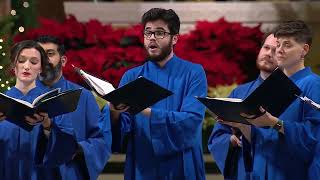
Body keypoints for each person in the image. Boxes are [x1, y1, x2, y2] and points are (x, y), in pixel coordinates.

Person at [103, 8, 208, 179]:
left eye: (159, 33)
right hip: (143, 163)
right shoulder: (131, 76)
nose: (152, 37)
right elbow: (121, 129)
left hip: (181, 163)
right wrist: (113, 111)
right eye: (148, 32)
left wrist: (146, 111)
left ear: (174, 38)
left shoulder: (193, 73)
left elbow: (192, 120)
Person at [220, 20, 320, 179]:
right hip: (261, 171)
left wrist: (274, 122)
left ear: (304, 50)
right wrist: (242, 125)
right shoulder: (274, 85)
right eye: (278, 44)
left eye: (287, 45)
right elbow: (262, 138)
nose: (279, 50)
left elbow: (313, 137)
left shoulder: (313, 84)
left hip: (291, 172)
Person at [35, 35, 111, 180]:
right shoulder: (23, 98)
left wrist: (79, 149)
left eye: (50, 54)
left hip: (71, 173)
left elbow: (101, 141)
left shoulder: (84, 97)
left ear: (63, 60)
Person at [0, 40, 78, 179]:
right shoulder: (2, 101)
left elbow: (68, 148)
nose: (26, 66)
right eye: (22, 61)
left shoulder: (54, 103)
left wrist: (47, 126)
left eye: (34, 62)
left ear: (41, 68)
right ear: (14, 65)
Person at [208, 32, 278, 180]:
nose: (268, 54)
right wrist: (231, 140)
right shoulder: (239, 92)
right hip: (243, 172)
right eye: (266, 47)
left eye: (275, 50)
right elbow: (218, 136)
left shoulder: (292, 93)